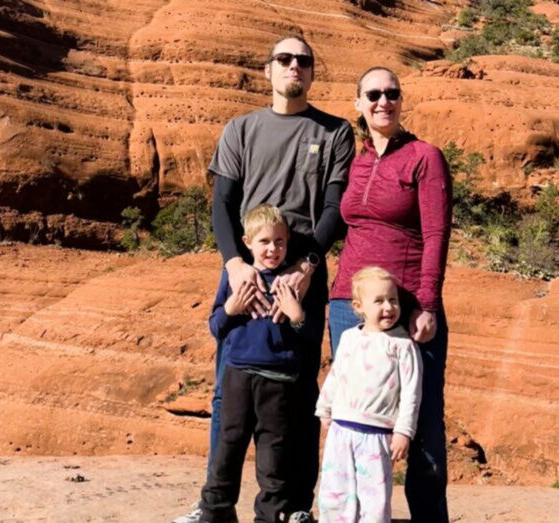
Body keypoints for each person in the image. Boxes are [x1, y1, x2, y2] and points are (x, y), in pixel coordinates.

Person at [173, 35, 355, 523]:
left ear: (312, 73)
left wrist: (307, 264)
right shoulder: (241, 129)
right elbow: (222, 205)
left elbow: (336, 207)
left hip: (302, 271)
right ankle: (215, 505)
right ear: (268, 70)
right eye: (284, 59)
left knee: (297, 392)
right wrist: (234, 263)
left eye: (303, 60)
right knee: (228, 388)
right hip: (246, 266)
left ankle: (292, 507)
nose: (294, 66)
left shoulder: (335, 132)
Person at [327, 67, 452, 522]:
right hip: (347, 304)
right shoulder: (353, 160)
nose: (384, 102)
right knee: (351, 420)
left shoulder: (424, 156)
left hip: (405, 307)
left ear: (401, 101)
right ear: (358, 102)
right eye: (373, 94)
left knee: (421, 423)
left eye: (392, 94)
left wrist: (428, 304)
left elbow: (436, 234)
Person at [199, 204, 315, 523]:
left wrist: (297, 316)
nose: (273, 249)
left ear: (288, 241)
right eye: (264, 241)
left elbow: (308, 335)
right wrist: (232, 308)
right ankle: (215, 510)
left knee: (273, 455)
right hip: (238, 374)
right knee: (228, 446)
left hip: (279, 381)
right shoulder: (234, 277)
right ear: (247, 241)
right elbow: (215, 327)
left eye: (279, 241)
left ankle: (271, 515)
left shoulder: (294, 281)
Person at [315, 266, 423, 522]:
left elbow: (411, 393)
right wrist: (324, 408)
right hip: (341, 431)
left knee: (375, 502)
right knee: (334, 495)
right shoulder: (350, 338)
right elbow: (337, 374)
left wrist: (403, 432)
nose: (388, 307)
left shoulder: (403, 346)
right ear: (358, 306)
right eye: (379, 301)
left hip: (377, 436)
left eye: (392, 300)